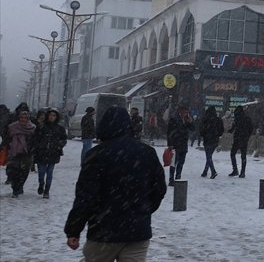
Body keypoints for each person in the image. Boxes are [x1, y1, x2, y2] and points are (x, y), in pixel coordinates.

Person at [64, 106, 167, 261]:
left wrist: (74, 229)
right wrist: (143, 209)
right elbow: (159, 189)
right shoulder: (147, 152)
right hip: (137, 231)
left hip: (103, 230)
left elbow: (85, 197)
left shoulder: (96, 155)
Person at [33, 108, 67, 198]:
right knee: (41, 172)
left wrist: (59, 146)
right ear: (47, 116)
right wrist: (39, 146)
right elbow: (35, 138)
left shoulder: (59, 128)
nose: (52, 117)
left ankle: (47, 190)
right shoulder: (41, 127)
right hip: (42, 153)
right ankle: (41, 184)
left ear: (56, 117)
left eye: (54, 115)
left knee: (50, 172)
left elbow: (64, 139)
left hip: (53, 153)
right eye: (50, 115)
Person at [4, 108, 37, 197]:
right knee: (14, 172)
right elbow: (7, 138)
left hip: (27, 153)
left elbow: (35, 141)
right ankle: (15, 189)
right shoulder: (12, 127)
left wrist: (31, 148)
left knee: (24, 172)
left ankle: (20, 186)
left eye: (25, 118)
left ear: (28, 119)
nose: (23, 119)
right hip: (14, 153)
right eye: (21, 117)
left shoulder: (32, 128)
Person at [166, 106, 193, 185]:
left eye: (187, 111)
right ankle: (171, 179)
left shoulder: (187, 119)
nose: (186, 113)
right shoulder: (174, 119)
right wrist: (170, 144)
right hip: (175, 144)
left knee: (181, 163)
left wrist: (190, 122)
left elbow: (193, 129)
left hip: (183, 144)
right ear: (180, 111)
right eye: (185, 111)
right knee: (173, 163)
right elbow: (169, 132)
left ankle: (178, 178)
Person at [198, 106, 224, 179]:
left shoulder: (205, 119)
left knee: (208, 157)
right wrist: (217, 134)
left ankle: (213, 171)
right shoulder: (218, 120)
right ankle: (205, 171)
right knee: (209, 156)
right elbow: (221, 130)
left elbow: (201, 130)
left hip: (207, 140)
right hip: (215, 140)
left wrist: (204, 134)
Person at [229, 106, 254, 177]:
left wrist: (230, 130)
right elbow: (251, 128)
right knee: (243, 155)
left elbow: (233, 128)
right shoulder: (247, 118)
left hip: (237, 138)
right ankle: (242, 172)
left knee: (232, 153)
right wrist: (247, 135)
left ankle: (235, 169)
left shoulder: (237, 119)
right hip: (244, 139)